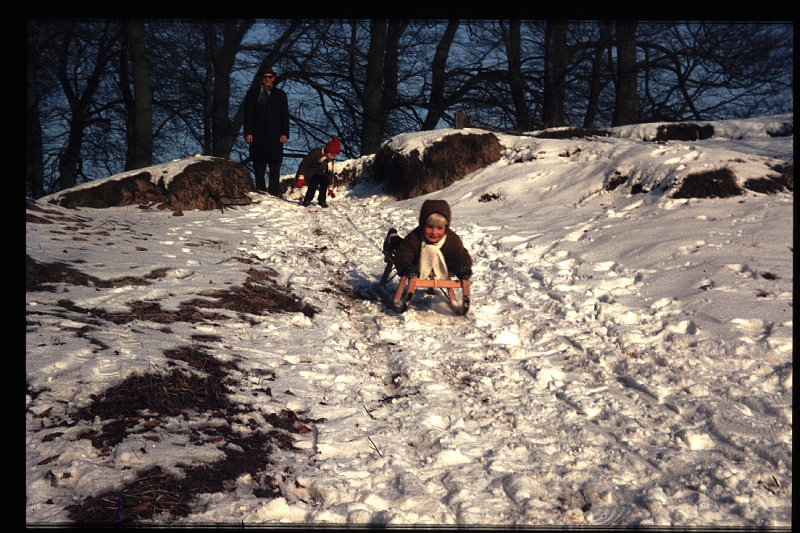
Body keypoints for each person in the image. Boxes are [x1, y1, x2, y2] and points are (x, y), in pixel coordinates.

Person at [390, 199, 473, 281]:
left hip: (438, 264)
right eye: (430, 227)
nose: (434, 232)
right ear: (423, 225)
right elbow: (403, 255)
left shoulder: (451, 240)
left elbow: (461, 255)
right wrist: (407, 266)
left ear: (446, 228)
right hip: (415, 260)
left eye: (439, 228)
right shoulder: (414, 237)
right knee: (398, 245)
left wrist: (463, 267)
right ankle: (392, 237)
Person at [243, 67, 290, 196]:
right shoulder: (253, 94)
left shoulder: (280, 94)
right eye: (265, 77)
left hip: (276, 135)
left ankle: (274, 193)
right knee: (259, 165)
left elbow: (285, 115)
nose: (267, 79)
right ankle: (261, 193)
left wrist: (285, 133)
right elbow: (248, 115)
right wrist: (248, 132)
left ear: (274, 78)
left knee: (275, 165)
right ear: (261, 78)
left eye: (270, 77)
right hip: (258, 135)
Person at [296, 138, 341, 208]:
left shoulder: (329, 160)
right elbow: (304, 164)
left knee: (325, 179)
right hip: (309, 173)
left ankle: (322, 200)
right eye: (331, 155)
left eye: (334, 156)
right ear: (327, 151)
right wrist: (301, 177)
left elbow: (330, 173)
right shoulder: (315, 153)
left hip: (320, 174)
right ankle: (307, 199)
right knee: (315, 180)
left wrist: (331, 188)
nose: (332, 157)